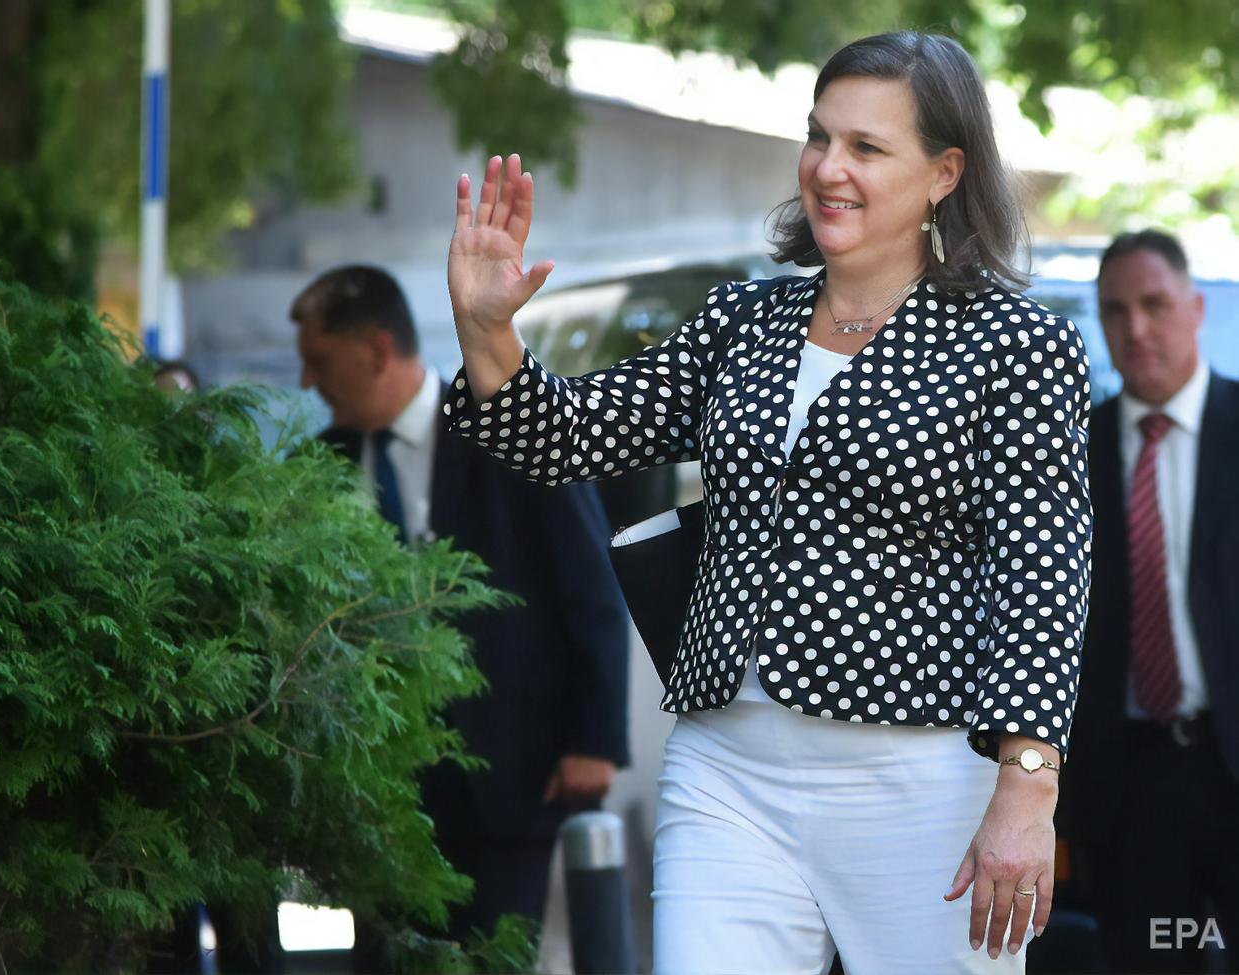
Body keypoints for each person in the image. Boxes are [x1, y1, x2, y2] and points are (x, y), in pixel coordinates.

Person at [443, 30, 1093, 975]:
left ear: (944, 173)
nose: (829, 168)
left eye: (867, 147)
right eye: (819, 136)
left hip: (919, 778)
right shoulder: (742, 321)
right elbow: (570, 438)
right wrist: (486, 331)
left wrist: (1027, 789)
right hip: (727, 773)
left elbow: (1045, 571)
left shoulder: (1015, 344)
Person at [289, 265, 632, 953]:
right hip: (377, 790)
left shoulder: (508, 432)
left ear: (377, 350)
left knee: (491, 959)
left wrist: (594, 740)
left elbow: (590, 582)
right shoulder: (315, 466)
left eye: (320, 361)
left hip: (508, 769)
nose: (306, 383)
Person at [1063, 230, 1239, 974]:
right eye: (1115, 311)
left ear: (1196, 309)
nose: (1135, 328)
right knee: (1153, 958)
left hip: (1230, 760)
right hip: (1127, 785)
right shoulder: (1071, 453)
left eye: (1155, 305)